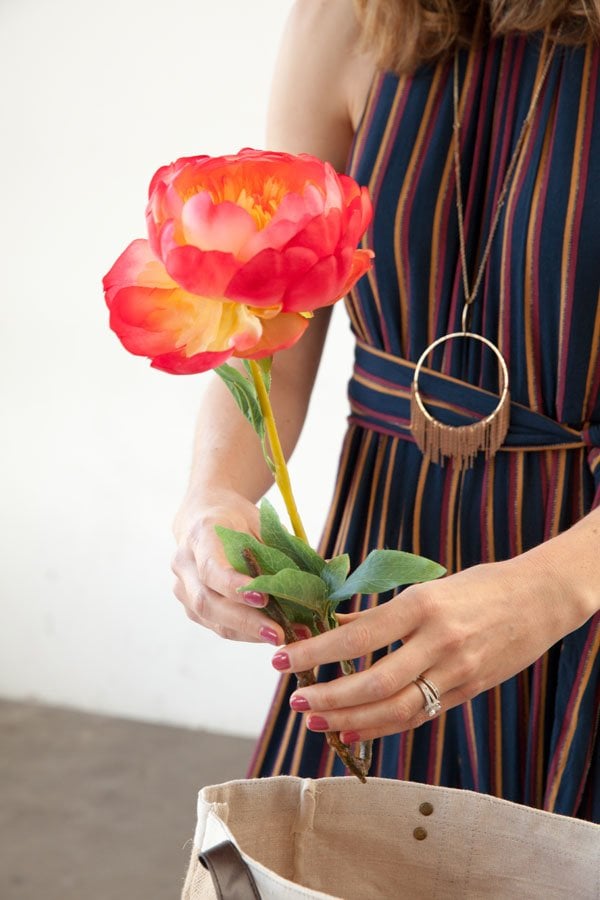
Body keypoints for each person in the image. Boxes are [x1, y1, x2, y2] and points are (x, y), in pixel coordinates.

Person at [172, 0, 600, 821]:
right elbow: (273, 320)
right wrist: (214, 496)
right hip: (389, 570)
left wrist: (555, 587)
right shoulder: (350, 17)